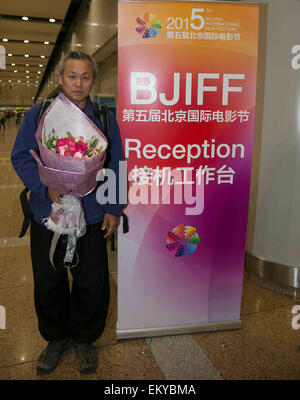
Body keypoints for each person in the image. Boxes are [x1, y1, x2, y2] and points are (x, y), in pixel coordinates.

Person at [11, 51, 126, 375]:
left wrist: (113, 208)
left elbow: (116, 163)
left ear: (93, 80)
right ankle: (56, 338)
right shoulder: (40, 114)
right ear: (61, 78)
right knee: (49, 281)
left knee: (92, 282)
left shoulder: (104, 119)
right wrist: (43, 185)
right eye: (72, 76)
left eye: (85, 77)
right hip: (48, 214)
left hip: (91, 216)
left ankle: (85, 339)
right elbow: (21, 156)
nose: (78, 83)